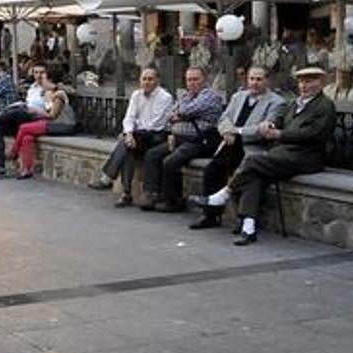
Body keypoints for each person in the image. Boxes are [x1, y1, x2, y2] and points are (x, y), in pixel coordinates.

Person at [190, 67, 336, 245]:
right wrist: (270, 124)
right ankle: (248, 227)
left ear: (321, 83)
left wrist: (280, 135)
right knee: (254, 174)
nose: (304, 86)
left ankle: (223, 194)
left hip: (307, 157)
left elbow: (313, 134)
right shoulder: (295, 103)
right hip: (283, 153)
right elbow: (279, 121)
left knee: (252, 161)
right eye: (302, 82)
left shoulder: (324, 105)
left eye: (310, 81)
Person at [189, 66, 285, 230]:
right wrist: (227, 131)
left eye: (259, 79)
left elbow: (263, 131)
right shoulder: (238, 96)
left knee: (243, 175)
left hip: (254, 148)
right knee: (211, 171)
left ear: (267, 81)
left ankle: (242, 220)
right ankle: (210, 215)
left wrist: (237, 131)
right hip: (230, 143)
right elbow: (224, 118)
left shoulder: (277, 102)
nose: (254, 83)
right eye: (251, 79)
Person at [140, 67, 224, 212]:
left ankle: (173, 201)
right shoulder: (186, 96)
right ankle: (152, 194)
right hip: (179, 139)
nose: (192, 83)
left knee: (170, 161)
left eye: (195, 79)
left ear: (204, 80)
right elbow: (172, 114)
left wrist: (181, 114)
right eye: (189, 80)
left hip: (199, 141)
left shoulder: (210, 96)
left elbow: (184, 110)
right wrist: (182, 114)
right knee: (152, 155)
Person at [86, 67, 173, 207]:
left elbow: (155, 124)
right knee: (128, 148)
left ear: (157, 80)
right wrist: (129, 133)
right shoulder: (136, 95)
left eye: (150, 79)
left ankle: (108, 178)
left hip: (157, 136)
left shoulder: (165, 97)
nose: (147, 82)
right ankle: (126, 193)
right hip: (138, 136)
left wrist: (131, 133)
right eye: (144, 79)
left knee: (127, 143)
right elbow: (129, 118)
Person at [0, 63, 48, 178]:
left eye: (42, 73)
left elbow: (50, 111)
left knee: (13, 112)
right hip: (23, 117)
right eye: (36, 72)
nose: (38, 75)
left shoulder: (48, 89)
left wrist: (36, 111)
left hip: (36, 117)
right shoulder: (33, 88)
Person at [8, 66, 76, 179]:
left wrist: (36, 111)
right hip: (52, 123)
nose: (41, 81)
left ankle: (12, 153)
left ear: (50, 80)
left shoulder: (59, 94)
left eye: (44, 79)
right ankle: (26, 169)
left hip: (63, 124)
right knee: (27, 138)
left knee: (24, 128)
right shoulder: (46, 93)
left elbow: (52, 115)